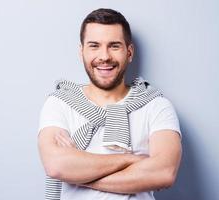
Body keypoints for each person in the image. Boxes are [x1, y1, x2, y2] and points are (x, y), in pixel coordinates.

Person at [38, 8, 182, 200]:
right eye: (94, 46)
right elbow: (56, 165)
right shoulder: (59, 103)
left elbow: (163, 173)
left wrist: (77, 174)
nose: (104, 56)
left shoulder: (156, 106)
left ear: (129, 52)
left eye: (114, 46)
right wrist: (131, 160)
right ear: (82, 52)